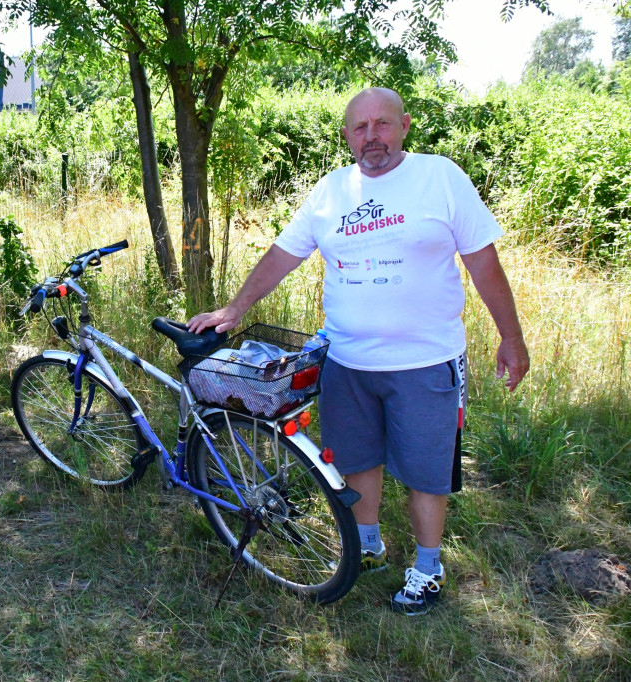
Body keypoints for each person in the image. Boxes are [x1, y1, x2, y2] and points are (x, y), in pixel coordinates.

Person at [189, 87, 530, 615]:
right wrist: (233, 310)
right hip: (347, 360)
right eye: (360, 128)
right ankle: (367, 546)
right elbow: (283, 255)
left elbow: (484, 262)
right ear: (347, 136)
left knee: (425, 472)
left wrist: (511, 337)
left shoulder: (440, 178)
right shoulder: (331, 192)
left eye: (383, 124)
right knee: (356, 461)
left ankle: (427, 568)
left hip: (424, 362)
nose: (372, 136)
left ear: (405, 126)